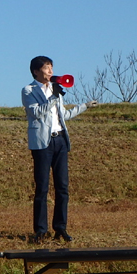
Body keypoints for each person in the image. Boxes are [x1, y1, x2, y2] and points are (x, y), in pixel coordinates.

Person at [21, 56, 98, 244]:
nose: (50, 71)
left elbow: (64, 115)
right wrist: (54, 97)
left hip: (60, 140)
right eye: (46, 68)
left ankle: (60, 228)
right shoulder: (28, 90)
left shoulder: (56, 90)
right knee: (42, 188)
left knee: (62, 187)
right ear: (36, 71)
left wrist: (84, 106)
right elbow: (37, 112)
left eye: (51, 67)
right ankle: (40, 230)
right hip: (42, 144)